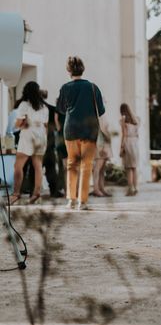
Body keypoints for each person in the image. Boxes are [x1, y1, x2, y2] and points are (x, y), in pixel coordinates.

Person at [56, 56, 105, 210]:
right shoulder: (93, 87)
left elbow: (62, 109)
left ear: (69, 70)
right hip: (89, 131)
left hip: (70, 129)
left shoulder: (65, 88)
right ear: (82, 69)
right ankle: (82, 202)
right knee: (86, 165)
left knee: (71, 164)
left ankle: (70, 199)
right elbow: (101, 111)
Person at [9, 82, 48, 205]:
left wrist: (21, 124)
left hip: (28, 136)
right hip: (41, 136)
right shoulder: (44, 107)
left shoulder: (24, 105)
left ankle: (16, 194)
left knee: (18, 166)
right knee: (38, 166)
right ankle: (36, 193)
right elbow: (45, 125)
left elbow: (18, 124)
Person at [41, 90, 65, 197]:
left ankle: (33, 190)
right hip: (51, 141)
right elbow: (56, 126)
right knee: (51, 166)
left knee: (35, 167)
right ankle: (55, 189)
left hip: (39, 141)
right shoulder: (52, 109)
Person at [120, 103, 139, 196]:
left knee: (129, 168)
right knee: (134, 167)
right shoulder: (135, 119)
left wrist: (121, 147)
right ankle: (135, 188)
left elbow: (124, 134)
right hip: (135, 143)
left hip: (128, 142)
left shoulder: (123, 119)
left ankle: (130, 189)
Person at [92, 114, 112, 197]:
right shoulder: (97, 116)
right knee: (97, 168)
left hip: (105, 144)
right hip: (100, 145)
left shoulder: (102, 115)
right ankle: (96, 189)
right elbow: (102, 131)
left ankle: (101, 188)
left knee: (102, 170)